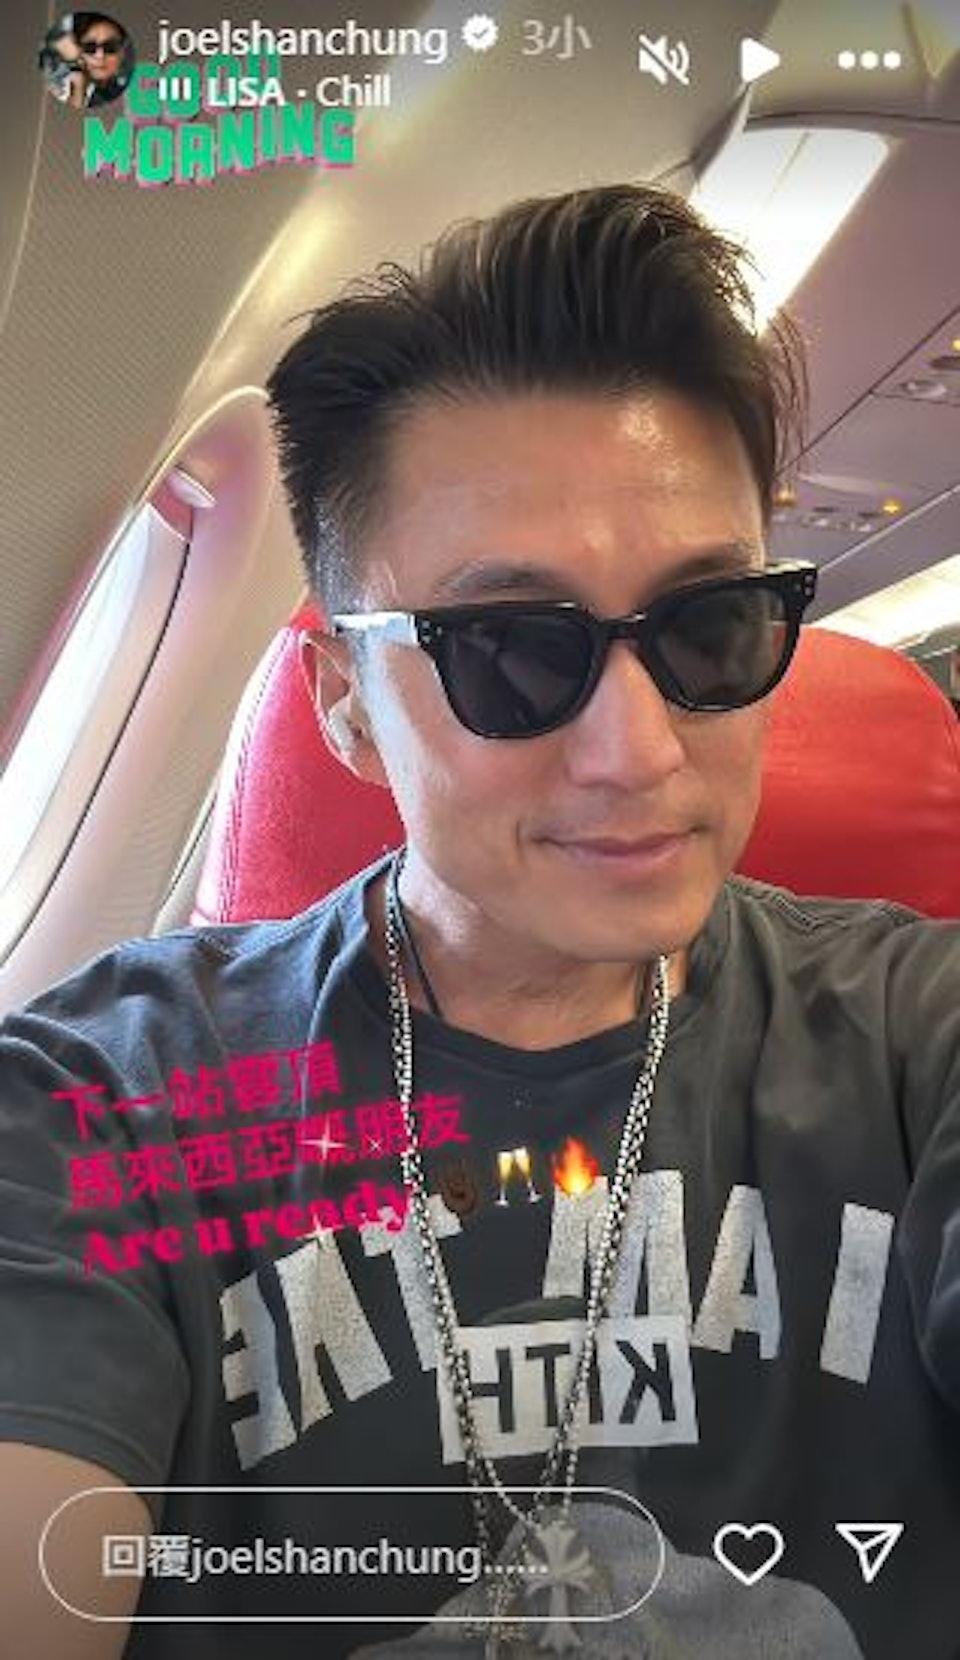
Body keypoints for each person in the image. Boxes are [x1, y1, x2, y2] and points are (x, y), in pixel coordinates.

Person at [0, 185, 958, 1660]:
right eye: (511, 648)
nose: (638, 751)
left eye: (708, 625)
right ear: (345, 704)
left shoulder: (920, 1036)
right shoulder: (105, 1099)